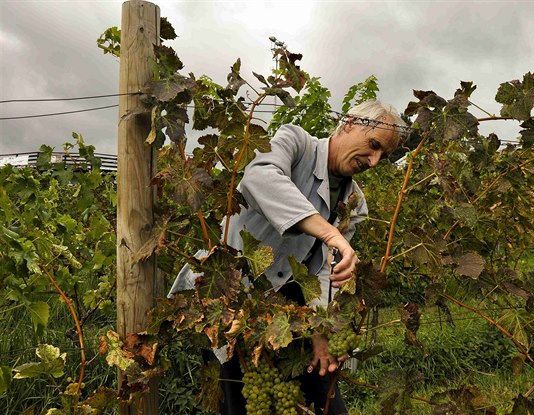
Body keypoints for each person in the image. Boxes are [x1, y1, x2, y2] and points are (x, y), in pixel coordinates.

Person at [169, 100, 405, 414]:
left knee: (323, 399)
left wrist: (321, 331)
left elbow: (322, 273)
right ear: (350, 122)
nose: (374, 161)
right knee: (242, 403)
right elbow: (260, 179)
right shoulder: (296, 142)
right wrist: (330, 234)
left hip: (289, 311)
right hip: (231, 299)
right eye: (373, 145)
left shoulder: (355, 203)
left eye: (383, 155)